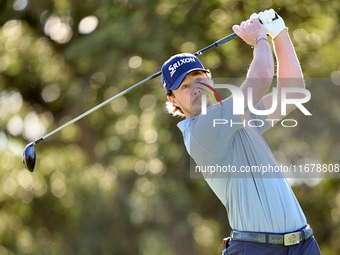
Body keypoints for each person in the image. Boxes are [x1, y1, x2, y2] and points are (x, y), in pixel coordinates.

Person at [161, 9, 321, 255]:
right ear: (173, 101)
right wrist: (258, 38)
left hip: (303, 244)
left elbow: (294, 93)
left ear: (210, 81)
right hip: (257, 249)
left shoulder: (240, 117)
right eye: (184, 86)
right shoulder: (201, 130)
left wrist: (278, 32)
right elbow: (261, 78)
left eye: (199, 78)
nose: (195, 88)